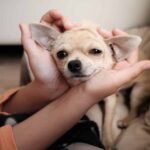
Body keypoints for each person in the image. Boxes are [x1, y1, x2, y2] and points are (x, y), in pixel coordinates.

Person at [0, 9, 150, 150]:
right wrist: (50, 85)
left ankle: (132, 116)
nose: (74, 62)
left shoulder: (112, 56)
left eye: (94, 51)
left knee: (136, 95)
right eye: (63, 54)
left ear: (115, 51)